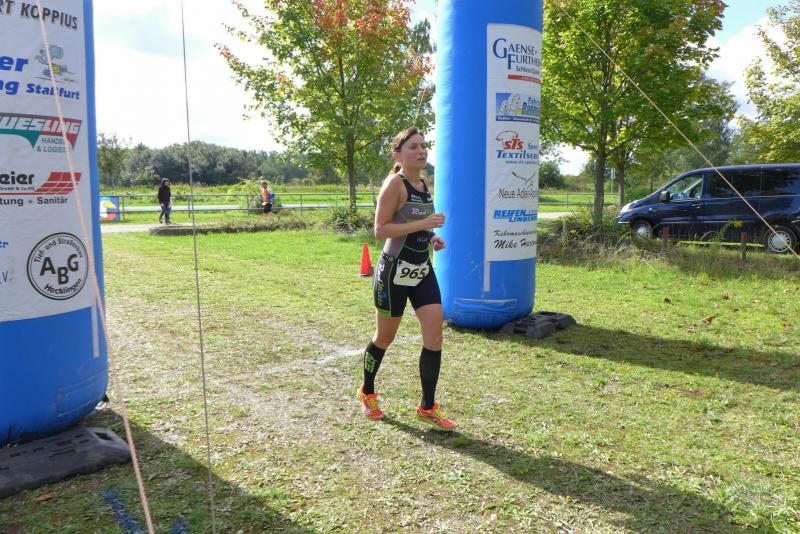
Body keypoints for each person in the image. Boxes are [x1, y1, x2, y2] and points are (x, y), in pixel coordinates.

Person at [357, 127, 454, 431]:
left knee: (434, 338)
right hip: (393, 272)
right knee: (384, 338)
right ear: (398, 155)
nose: (421, 151)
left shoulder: (423, 183)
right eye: (413, 147)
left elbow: (414, 225)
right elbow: (381, 230)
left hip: (422, 269)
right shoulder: (394, 184)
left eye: (423, 146)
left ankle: (427, 406)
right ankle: (367, 391)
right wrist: (425, 223)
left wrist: (432, 236)